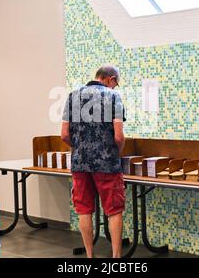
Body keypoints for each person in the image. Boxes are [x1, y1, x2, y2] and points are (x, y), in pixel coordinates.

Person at [61, 65, 126, 258]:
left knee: (84, 209)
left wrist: (79, 148)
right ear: (111, 79)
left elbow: (64, 135)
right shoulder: (113, 97)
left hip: (80, 163)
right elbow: (119, 137)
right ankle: (116, 258)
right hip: (107, 163)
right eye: (116, 83)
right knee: (114, 210)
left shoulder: (72, 96)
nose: (115, 87)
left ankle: (90, 256)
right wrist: (118, 153)